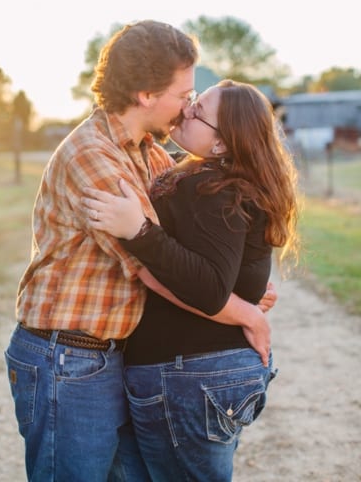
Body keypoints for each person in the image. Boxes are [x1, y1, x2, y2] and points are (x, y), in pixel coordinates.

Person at [4, 20, 273, 482]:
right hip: (67, 357)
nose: (188, 106)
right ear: (147, 94)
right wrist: (244, 314)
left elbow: (187, 248)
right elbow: (155, 271)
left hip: (111, 357)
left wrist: (241, 282)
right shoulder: (92, 156)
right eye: (184, 94)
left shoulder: (150, 153)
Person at [82, 80, 298, 481]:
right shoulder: (217, 179)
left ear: (221, 144)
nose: (186, 110)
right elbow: (232, 275)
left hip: (187, 375)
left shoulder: (211, 186)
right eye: (194, 100)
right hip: (203, 374)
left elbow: (210, 288)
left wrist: (140, 233)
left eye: (198, 112)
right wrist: (248, 308)